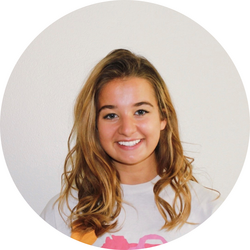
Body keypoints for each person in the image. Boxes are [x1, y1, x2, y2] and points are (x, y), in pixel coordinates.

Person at [41, 49, 221, 249]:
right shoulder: (62, 215)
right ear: (95, 125)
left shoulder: (204, 209)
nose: (127, 129)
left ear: (163, 118)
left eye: (140, 111)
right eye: (111, 115)